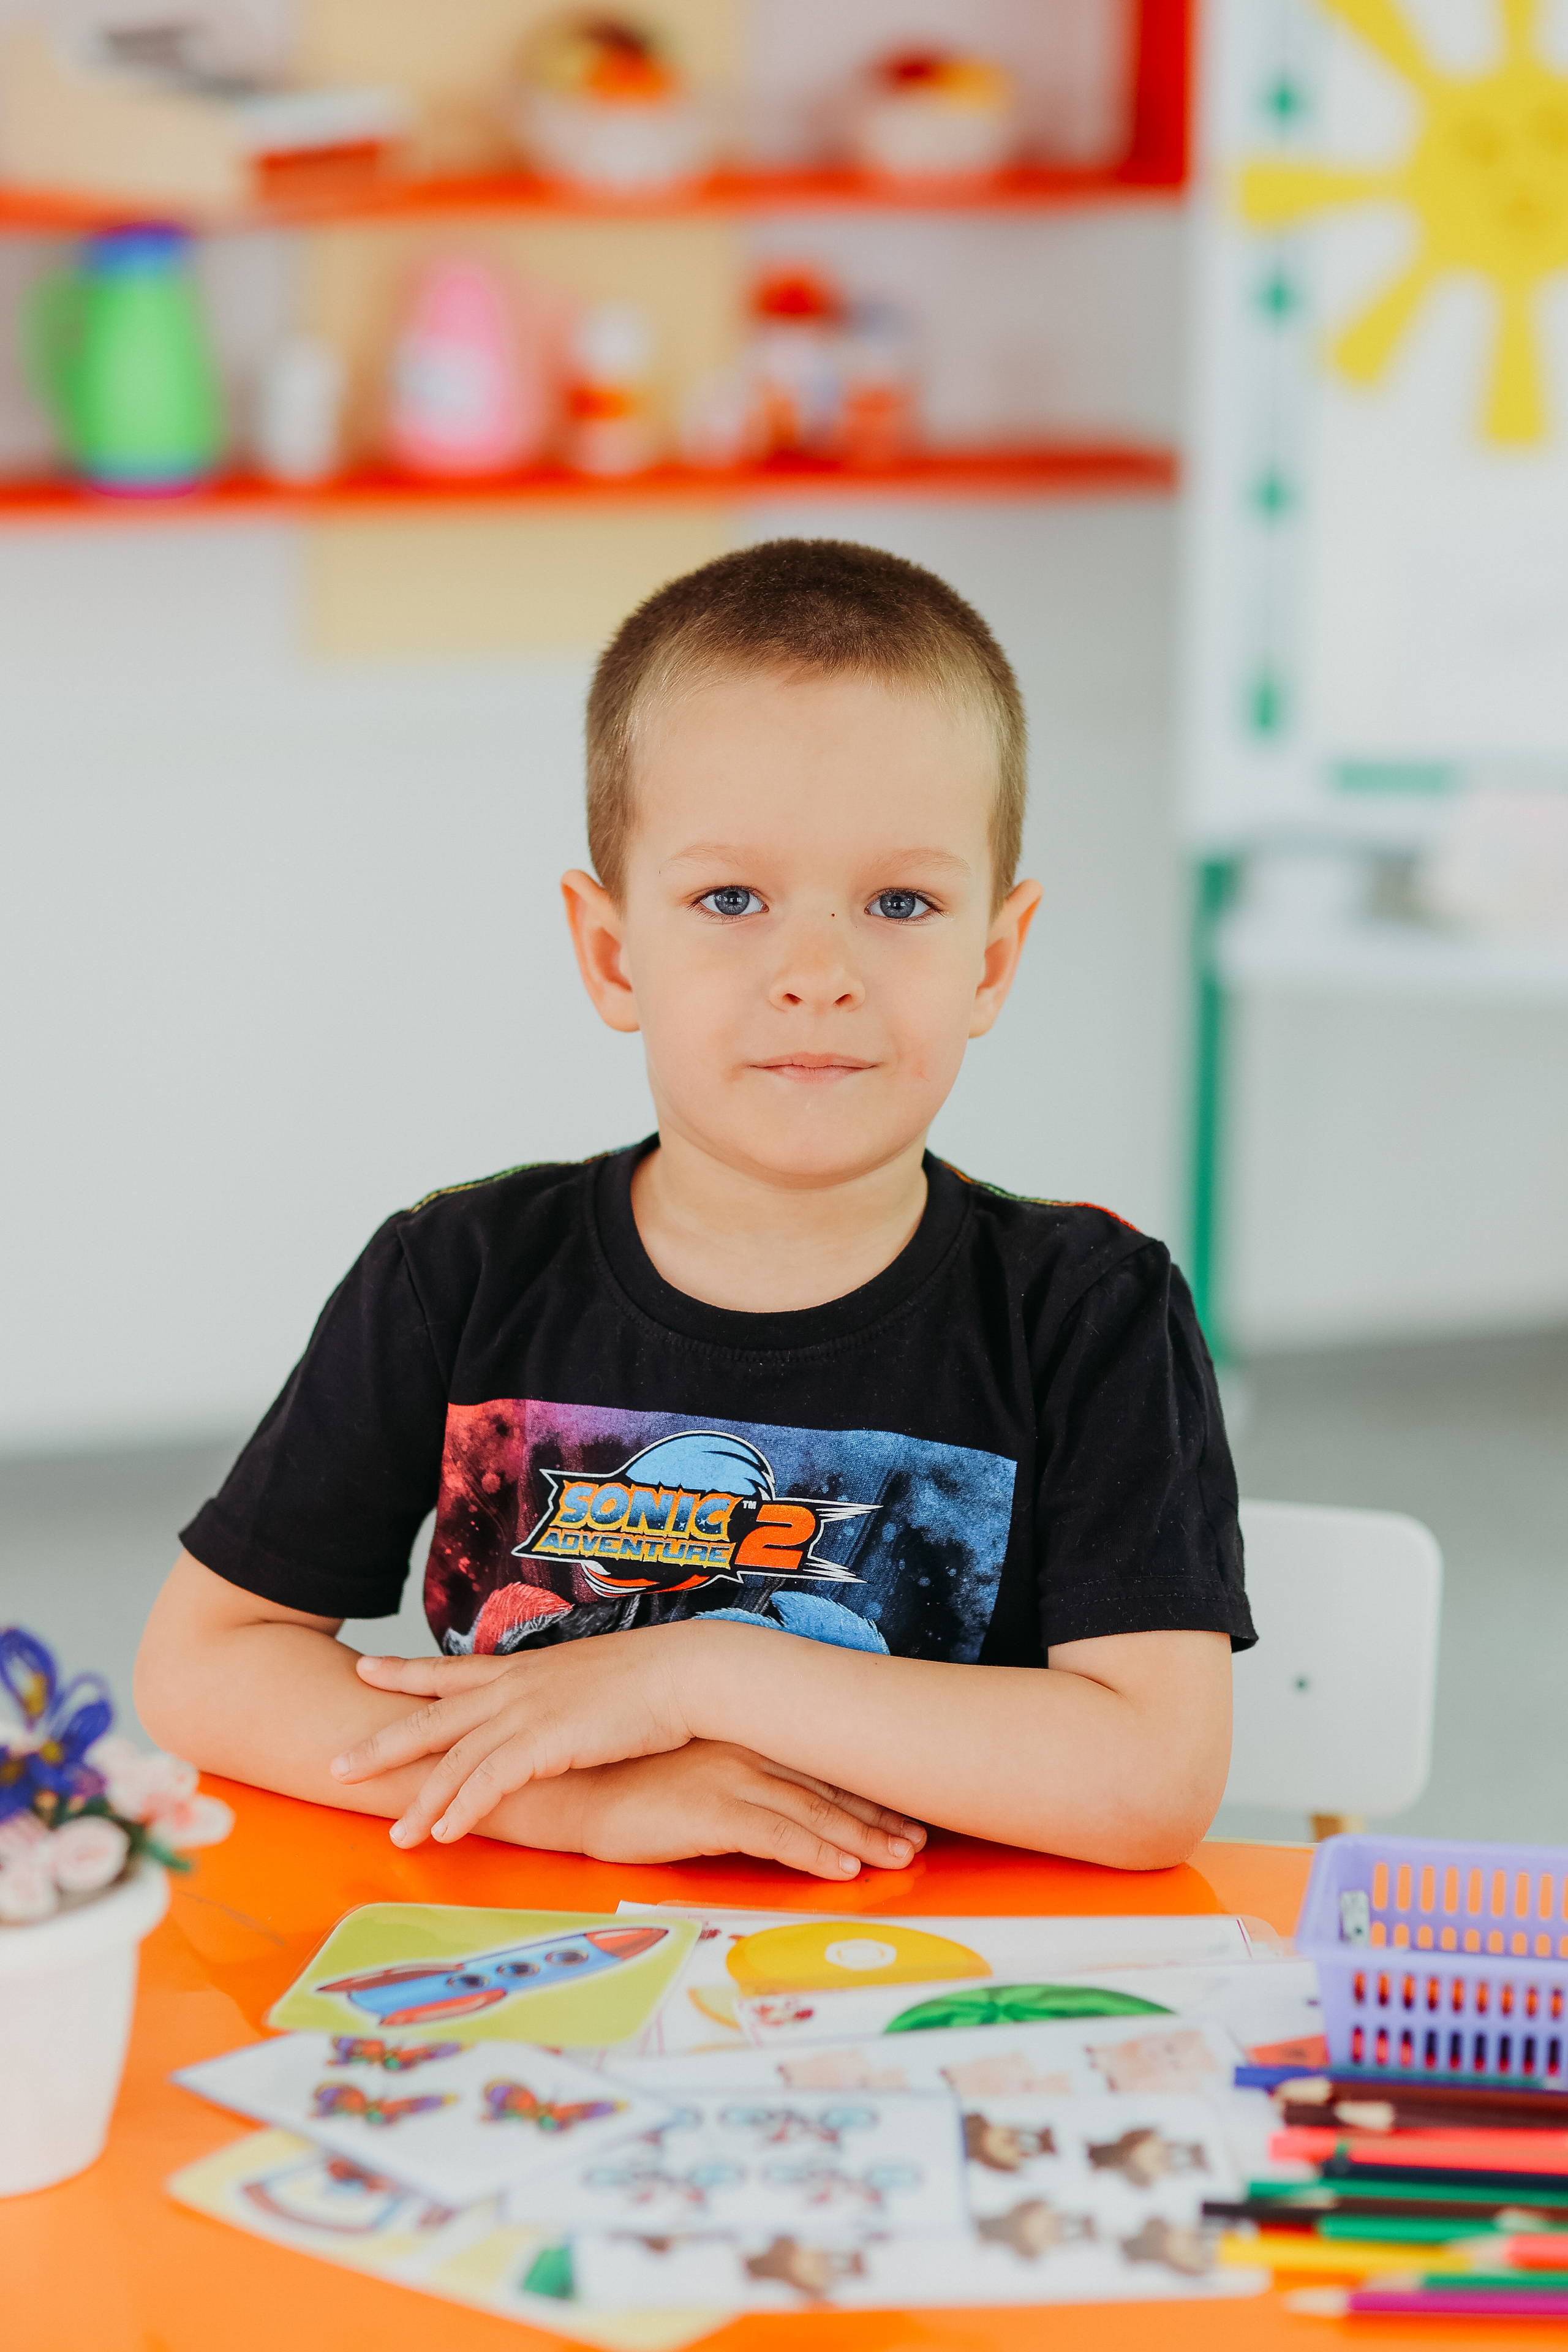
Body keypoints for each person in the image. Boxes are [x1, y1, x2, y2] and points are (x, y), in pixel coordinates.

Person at [135, 538, 1253, 1880]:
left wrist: (696, 1677)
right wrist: (576, 1805)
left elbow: (1149, 1779)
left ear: (991, 960)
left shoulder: (1090, 1311)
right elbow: (207, 1665)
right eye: (731, 899)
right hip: (535, 1961)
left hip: (927, 1976)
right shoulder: (457, 1273)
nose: (816, 973)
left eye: (901, 902)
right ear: (613, 953)